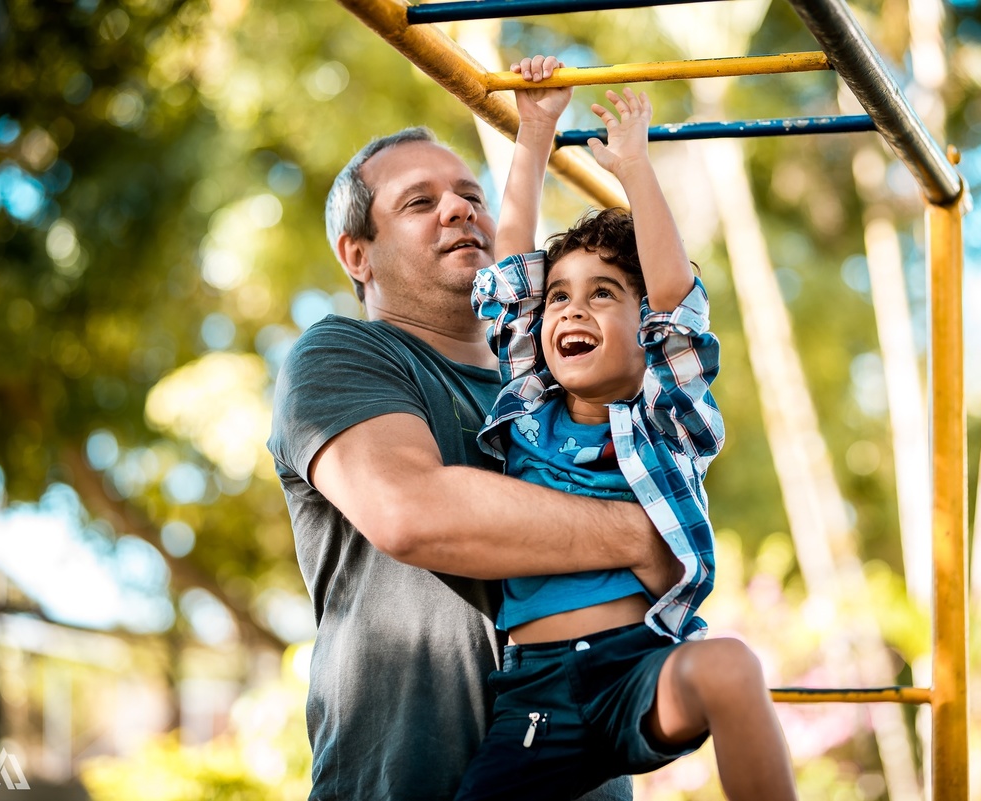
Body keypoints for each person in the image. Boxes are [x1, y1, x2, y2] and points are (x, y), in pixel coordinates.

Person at [266, 106, 683, 798]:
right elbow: (414, 512)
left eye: (471, 196)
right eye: (420, 202)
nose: (458, 209)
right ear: (357, 254)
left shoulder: (567, 383)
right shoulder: (341, 355)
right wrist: (643, 533)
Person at [453, 56, 799, 801]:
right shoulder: (525, 409)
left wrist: (635, 169)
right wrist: (535, 128)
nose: (570, 310)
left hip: (635, 668)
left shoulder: (661, 421)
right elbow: (513, 264)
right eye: (560, 299)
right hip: (535, 693)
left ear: (644, 330)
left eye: (602, 294)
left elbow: (677, 304)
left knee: (732, 665)